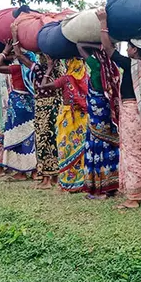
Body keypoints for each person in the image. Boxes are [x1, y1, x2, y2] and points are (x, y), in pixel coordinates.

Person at [102, 23, 141, 210]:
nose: (126, 50)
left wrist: (103, 23)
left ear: (135, 50)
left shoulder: (131, 65)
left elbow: (109, 50)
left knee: (133, 153)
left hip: (133, 113)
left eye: (129, 47)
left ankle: (133, 197)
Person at [77, 10, 121, 200]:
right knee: (110, 149)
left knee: (97, 148)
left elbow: (79, 45)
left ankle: (100, 190)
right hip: (109, 119)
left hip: (97, 118)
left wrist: (93, 44)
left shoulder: (96, 67)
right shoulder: (113, 68)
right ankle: (111, 187)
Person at [39, 58, 90, 193]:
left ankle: (69, 183)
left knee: (65, 147)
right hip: (82, 118)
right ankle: (82, 182)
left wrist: (49, 68)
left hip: (68, 118)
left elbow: (43, 86)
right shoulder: (87, 78)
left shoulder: (66, 79)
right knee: (81, 148)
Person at [0, 41, 37, 181]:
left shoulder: (17, 69)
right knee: (30, 136)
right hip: (31, 103)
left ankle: (21, 172)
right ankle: (34, 170)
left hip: (17, 104)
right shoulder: (36, 69)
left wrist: (5, 51)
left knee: (16, 136)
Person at [32, 54, 62, 188]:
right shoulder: (37, 68)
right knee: (48, 140)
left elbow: (45, 86)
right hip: (45, 108)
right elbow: (20, 55)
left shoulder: (58, 70)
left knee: (46, 140)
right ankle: (52, 177)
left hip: (49, 108)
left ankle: (47, 179)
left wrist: (49, 68)